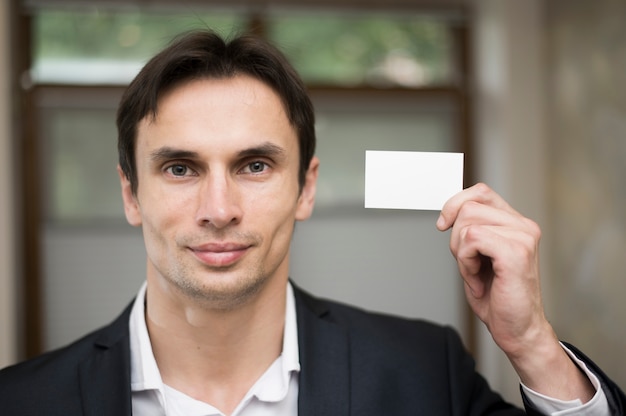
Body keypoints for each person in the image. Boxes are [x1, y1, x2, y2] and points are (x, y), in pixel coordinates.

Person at [0, 29, 624, 416]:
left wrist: (532, 345)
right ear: (131, 194)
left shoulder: (424, 373)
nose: (219, 210)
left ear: (307, 187)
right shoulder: (21, 402)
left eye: (254, 165)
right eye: (181, 169)